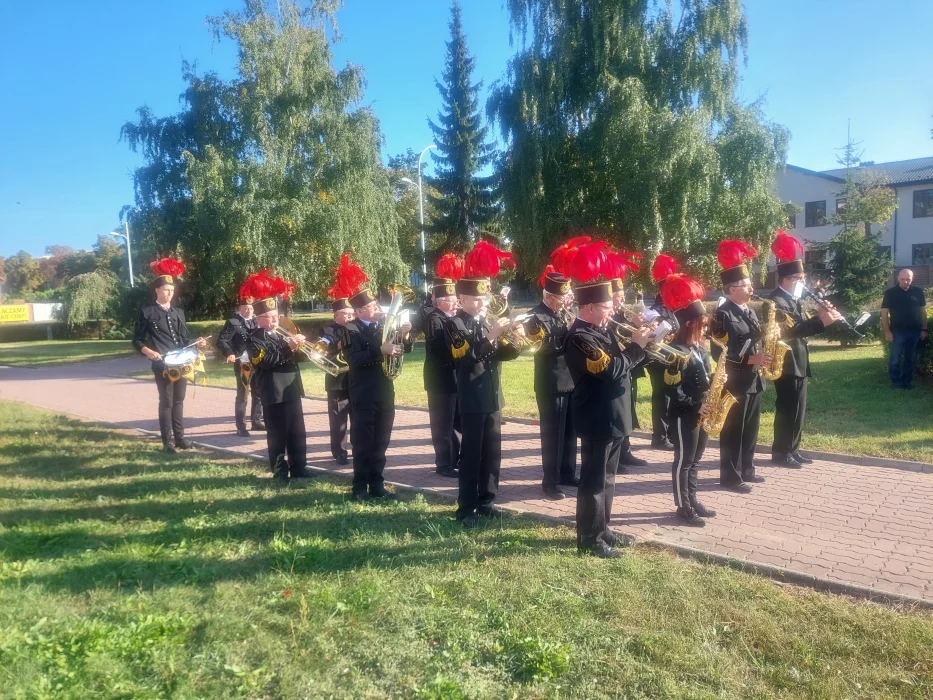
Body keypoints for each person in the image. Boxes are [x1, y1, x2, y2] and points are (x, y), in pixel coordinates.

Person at [563, 241, 652, 558]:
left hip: (613, 416)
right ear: (589, 308)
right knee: (594, 482)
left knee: (609, 478)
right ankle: (588, 539)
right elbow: (612, 369)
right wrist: (636, 348)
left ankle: (603, 529)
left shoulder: (603, 331)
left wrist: (644, 344)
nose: (612, 309)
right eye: (606, 306)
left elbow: (626, 364)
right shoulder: (580, 337)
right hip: (597, 418)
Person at [446, 240, 525, 528]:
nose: (482, 303)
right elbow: (467, 358)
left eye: (484, 298)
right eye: (476, 299)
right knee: (471, 455)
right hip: (471, 397)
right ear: (463, 299)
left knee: (492, 452)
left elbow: (503, 354)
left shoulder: (484, 321)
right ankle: (466, 509)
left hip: (492, 395)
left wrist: (513, 338)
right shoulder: (455, 324)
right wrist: (492, 335)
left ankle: (487, 500)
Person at [335, 253, 413, 501]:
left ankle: (377, 484)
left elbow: (403, 350)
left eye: (377, 306)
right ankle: (359, 487)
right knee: (363, 442)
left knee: (382, 441)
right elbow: (353, 360)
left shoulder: (383, 327)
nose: (378, 310)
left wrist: (404, 335)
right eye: (372, 307)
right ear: (359, 311)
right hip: (363, 392)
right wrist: (381, 350)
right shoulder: (349, 329)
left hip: (384, 390)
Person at [768, 231, 841, 467]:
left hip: (799, 360)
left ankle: (793, 448)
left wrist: (821, 314)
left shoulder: (794, 300)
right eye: (800, 278)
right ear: (787, 279)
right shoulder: (776, 301)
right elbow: (792, 330)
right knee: (787, 408)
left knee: (799, 408)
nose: (804, 282)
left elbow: (803, 325)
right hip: (787, 362)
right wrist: (822, 322)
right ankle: (781, 453)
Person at [710, 240, 773, 494]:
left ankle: (747, 468)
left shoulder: (749, 310)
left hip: (754, 378)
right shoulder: (721, 314)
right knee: (734, 429)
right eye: (747, 285)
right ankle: (730, 476)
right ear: (732, 289)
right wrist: (751, 360)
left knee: (751, 426)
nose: (752, 288)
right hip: (735, 379)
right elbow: (719, 352)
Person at [659, 273, 717, 526]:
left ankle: (692, 499)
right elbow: (671, 390)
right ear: (688, 324)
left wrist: (717, 381)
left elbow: (705, 376)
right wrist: (696, 405)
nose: (705, 329)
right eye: (701, 325)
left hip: (704, 408)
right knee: (684, 460)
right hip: (686, 412)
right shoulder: (676, 351)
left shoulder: (700, 347)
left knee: (696, 460)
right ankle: (683, 506)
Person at [132, 257, 207, 454]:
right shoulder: (147, 312)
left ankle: (180, 438)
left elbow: (184, 338)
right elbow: (137, 340)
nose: (170, 293)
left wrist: (197, 343)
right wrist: (148, 351)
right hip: (162, 363)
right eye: (166, 289)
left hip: (181, 363)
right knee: (166, 402)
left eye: (172, 290)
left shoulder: (178, 312)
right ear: (156, 290)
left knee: (179, 401)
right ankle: (167, 442)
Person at [242, 271, 312, 482]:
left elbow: (299, 358)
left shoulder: (282, 333)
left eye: (276, 316)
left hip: (291, 388)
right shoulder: (254, 339)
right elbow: (266, 362)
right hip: (274, 391)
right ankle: (280, 472)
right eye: (269, 318)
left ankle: (299, 468)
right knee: (277, 435)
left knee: (297, 432)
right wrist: (288, 346)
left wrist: (300, 347)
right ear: (259, 319)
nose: (274, 321)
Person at [524, 263, 577, 499]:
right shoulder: (535, 316)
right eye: (561, 297)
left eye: (566, 296)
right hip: (551, 382)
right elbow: (541, 349)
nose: (565, 301)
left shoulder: (562, 313)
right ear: (549, 295)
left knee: (569, 432)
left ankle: (567, 472)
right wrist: (567, 331)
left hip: (571, 380)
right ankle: (550, 481)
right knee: (552, 433)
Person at [605, 250, 647, 469]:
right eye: (617, 296)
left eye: (622, 296)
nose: (622, 299)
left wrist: (641, 328)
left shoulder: (622, 317)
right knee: (617, 412)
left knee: (628, 409)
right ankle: (616, 454)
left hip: (629, 368)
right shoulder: (604, 320)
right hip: (614, 368)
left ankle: (626, 450)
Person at [424, 254, 464, 478]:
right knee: (442, 424)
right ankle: (444, 463)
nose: (454, 302)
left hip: (455, 377)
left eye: (454, 298)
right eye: (449, 300)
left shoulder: (451, 317)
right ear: (439, 302)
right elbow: (439, 347)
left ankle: (455, 459)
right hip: (441, 379)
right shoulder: (434, 319)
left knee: (456, 421)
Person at [645, 254, 682, 450]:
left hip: (673, 359)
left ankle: (671, 433)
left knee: (673, 395)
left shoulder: (674, 308)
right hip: (659, 360)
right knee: (661, 396)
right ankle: (659, 436)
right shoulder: (654, 311)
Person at [216, 290, 265, 437]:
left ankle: (256, 422)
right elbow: (221, 341)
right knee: (243, 395)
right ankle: (240, 426)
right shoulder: (233, 322)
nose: (249, 310)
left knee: (259, 393)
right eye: (245, 308)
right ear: (240, 308)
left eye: (251, 308)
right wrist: (229, 353)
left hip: (258, 361)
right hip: (243, 363)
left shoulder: (258, 321)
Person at [318, 278, 355, 466]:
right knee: (338, 419)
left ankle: (358, 447)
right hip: (337, 380)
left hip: (356, 379)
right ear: (336, 316)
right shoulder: (329, 330)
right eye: (345, 314)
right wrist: (338, 345)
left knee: (358, 416)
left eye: (351, 314)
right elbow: (322, 350)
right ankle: (339, 451)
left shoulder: (357, 328)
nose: (349, 317)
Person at [881, 268, 928, 389]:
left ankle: (907, 381)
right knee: (895, 359)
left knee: (910, 359)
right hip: (897, 332)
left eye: (908, 279)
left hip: (914, 331)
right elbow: (884, 313)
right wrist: (887, 331)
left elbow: (923, 311)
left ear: (912, 279)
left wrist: (924, 328)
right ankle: (896, 383)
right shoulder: (890, 293)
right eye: (903, 279)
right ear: (898, 278)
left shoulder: (918, 291)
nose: (905, 281)